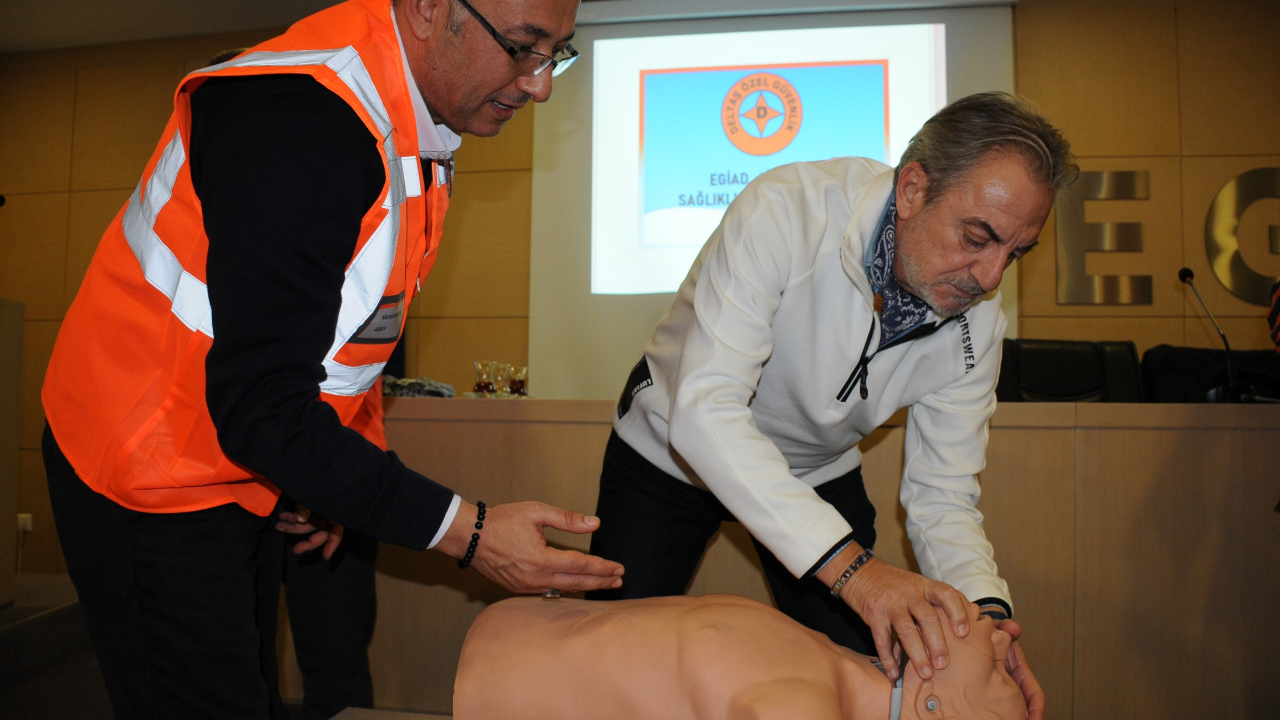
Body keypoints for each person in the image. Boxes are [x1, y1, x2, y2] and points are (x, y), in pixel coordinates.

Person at [40, 1, 623, 718]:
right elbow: (262, 407)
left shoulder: (410, 119)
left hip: (236, 458)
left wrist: (336, 473)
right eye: (522, 47)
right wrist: (470, 533)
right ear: (429, 9)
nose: (540, 84)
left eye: (556, 53)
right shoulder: (301, 121)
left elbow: (348, 338)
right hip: (148, 465)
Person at [587, 92, 1074, 720]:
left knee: (868, 668)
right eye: (977, 237)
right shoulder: (786, 211)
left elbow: (943, 496)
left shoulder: (979, 323)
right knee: (610, 663)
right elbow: (706, 411)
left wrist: (987, 622)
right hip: (668, 453)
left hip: (814, 472)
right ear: (912, 189)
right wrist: (856, 575)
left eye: (1016, 252)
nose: (990, 278)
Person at [455, 595, 1027, 720]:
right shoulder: (831, 665)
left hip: (497, 684)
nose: (1006, 640)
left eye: (999, 672)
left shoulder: (805, 704)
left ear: (933, 706)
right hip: (516, 637)